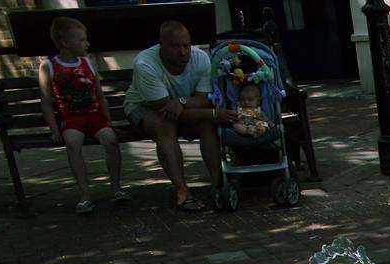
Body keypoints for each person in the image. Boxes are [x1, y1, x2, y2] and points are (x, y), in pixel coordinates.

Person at [122, 21, 239, 211]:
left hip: (183, 105)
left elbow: (202, 99)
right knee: (165, 124)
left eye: (186, 45)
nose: (183, 52)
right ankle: (182, 191)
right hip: (144, 107)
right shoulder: (145, 64)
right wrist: (212, 113)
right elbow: (165, 109)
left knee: (207, 124)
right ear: (161, 45)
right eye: (175, 46)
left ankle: (218, 185)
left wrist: (182, 102)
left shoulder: (201, 58)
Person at [36, 16, 126, 214]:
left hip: (94, 116)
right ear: (65, 43)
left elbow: (100, 96)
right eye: (82, 40)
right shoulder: (49, 66)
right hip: (71, 118)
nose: (87, 43)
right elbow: (46, 101)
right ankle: (85, 195)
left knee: (110, 140)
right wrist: (54, 129)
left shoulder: (88, 63)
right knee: (73, 142)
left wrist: (108, 121)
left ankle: (116, 187)